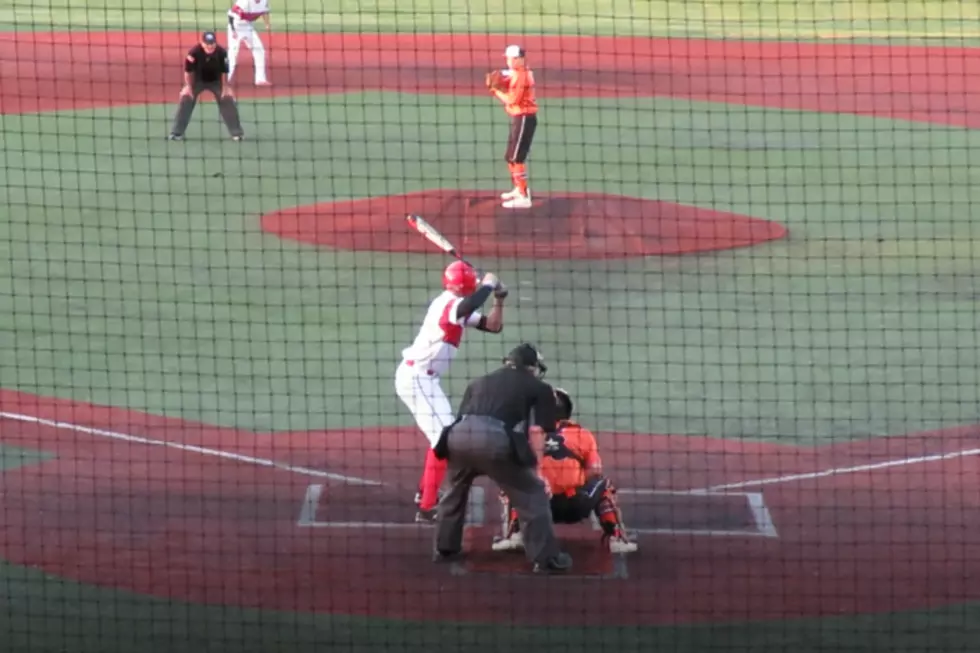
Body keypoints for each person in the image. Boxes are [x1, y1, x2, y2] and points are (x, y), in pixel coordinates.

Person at [431, 343, 573, 574]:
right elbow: (538, 431)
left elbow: (463, 417)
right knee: (532, 493)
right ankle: (546, 559)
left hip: (457, 436)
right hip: (493, 441)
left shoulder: (478, 382)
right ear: (532, 367)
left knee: (453, 492)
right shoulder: (540, 387)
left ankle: (445, 548)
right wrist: (536, 473)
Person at [395, 261, 506, 523]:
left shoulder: (455, 305)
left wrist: (499, 300)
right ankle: (427, 506)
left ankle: (425, 492)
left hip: (425, 381)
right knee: (445, 438)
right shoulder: (451, 304)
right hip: (417, 379)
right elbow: (468, 306)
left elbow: (493, 326)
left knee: (443, 437)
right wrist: (489, 285)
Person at [492, 387, 638, 554]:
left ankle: (515, 534)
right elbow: (595, 470)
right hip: (576, 505)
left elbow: (512, 466)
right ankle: (617, 539)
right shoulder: (581, 434)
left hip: (537, 508)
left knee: (511, 482)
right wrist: (574, 480)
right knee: (604, 485)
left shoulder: (527, 435)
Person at [169, 31, 245, 141]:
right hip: (197, 81)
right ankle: (176, 133)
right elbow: (188, 72)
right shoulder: (193, 53)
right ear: (202, 43)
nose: (210, 46)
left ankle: (237, 133)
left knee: (227, 98)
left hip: (216, 81)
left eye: (212, 43)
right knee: (186, 98)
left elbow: (224, 72)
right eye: (207, 44)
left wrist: (225, 87)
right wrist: (188, 87)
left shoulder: (222, 53)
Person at [490, 45, 538, 209]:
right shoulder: (521, 71)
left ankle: (524, 196)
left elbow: (512, 100)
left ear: (517, 59)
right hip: (520, 118)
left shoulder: (522, 76)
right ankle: (519, 189)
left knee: (517, 158)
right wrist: (502, 78)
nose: (508, 61)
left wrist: (496, 91)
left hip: (524, 118)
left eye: (510, 58)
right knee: (510, 157)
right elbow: (508, 74)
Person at [227, 0, 272, 86]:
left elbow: (265, 11)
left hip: (248, 27)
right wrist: (233, 31)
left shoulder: (264, 1)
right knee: (233, 53)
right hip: (236, 26)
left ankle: (260, 79)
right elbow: (231, 16)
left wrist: (267, 24)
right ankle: (225, 79)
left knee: (259, 50)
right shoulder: (244, 2)